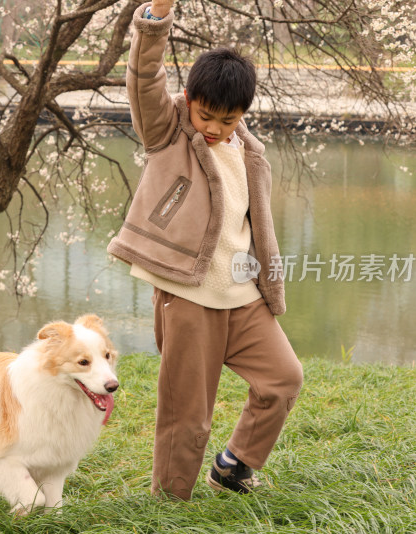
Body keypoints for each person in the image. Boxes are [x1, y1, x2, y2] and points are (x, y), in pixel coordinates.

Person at [107, 0, 304, 501]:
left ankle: (234, 465)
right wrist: (153, 21)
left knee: (283, 379)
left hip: (243, 298)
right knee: (187, 414)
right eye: (206, 115)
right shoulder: (169, 131)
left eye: (228, 119)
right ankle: (170, 504)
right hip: (188, 297)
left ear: (243, 115)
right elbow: (144, 77)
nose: (214, 128)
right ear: (189, 99)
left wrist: (268, 284)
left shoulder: (250, 153)